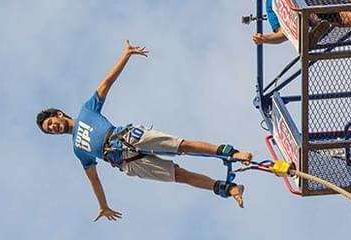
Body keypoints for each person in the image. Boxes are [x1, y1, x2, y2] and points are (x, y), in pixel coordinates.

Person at [36, 40, 253, 222]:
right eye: (50, 131)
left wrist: (126, 55)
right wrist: (104, 205)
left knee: (181, 145)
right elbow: (94, 179)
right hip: (127, 163)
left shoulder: (86, 111)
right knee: (179, 176)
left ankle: (232, 153)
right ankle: (229, 188)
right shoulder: (78, 149)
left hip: (129, 137)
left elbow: (106, 83)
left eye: (52, 123)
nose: (54, 128)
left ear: (59, 114)